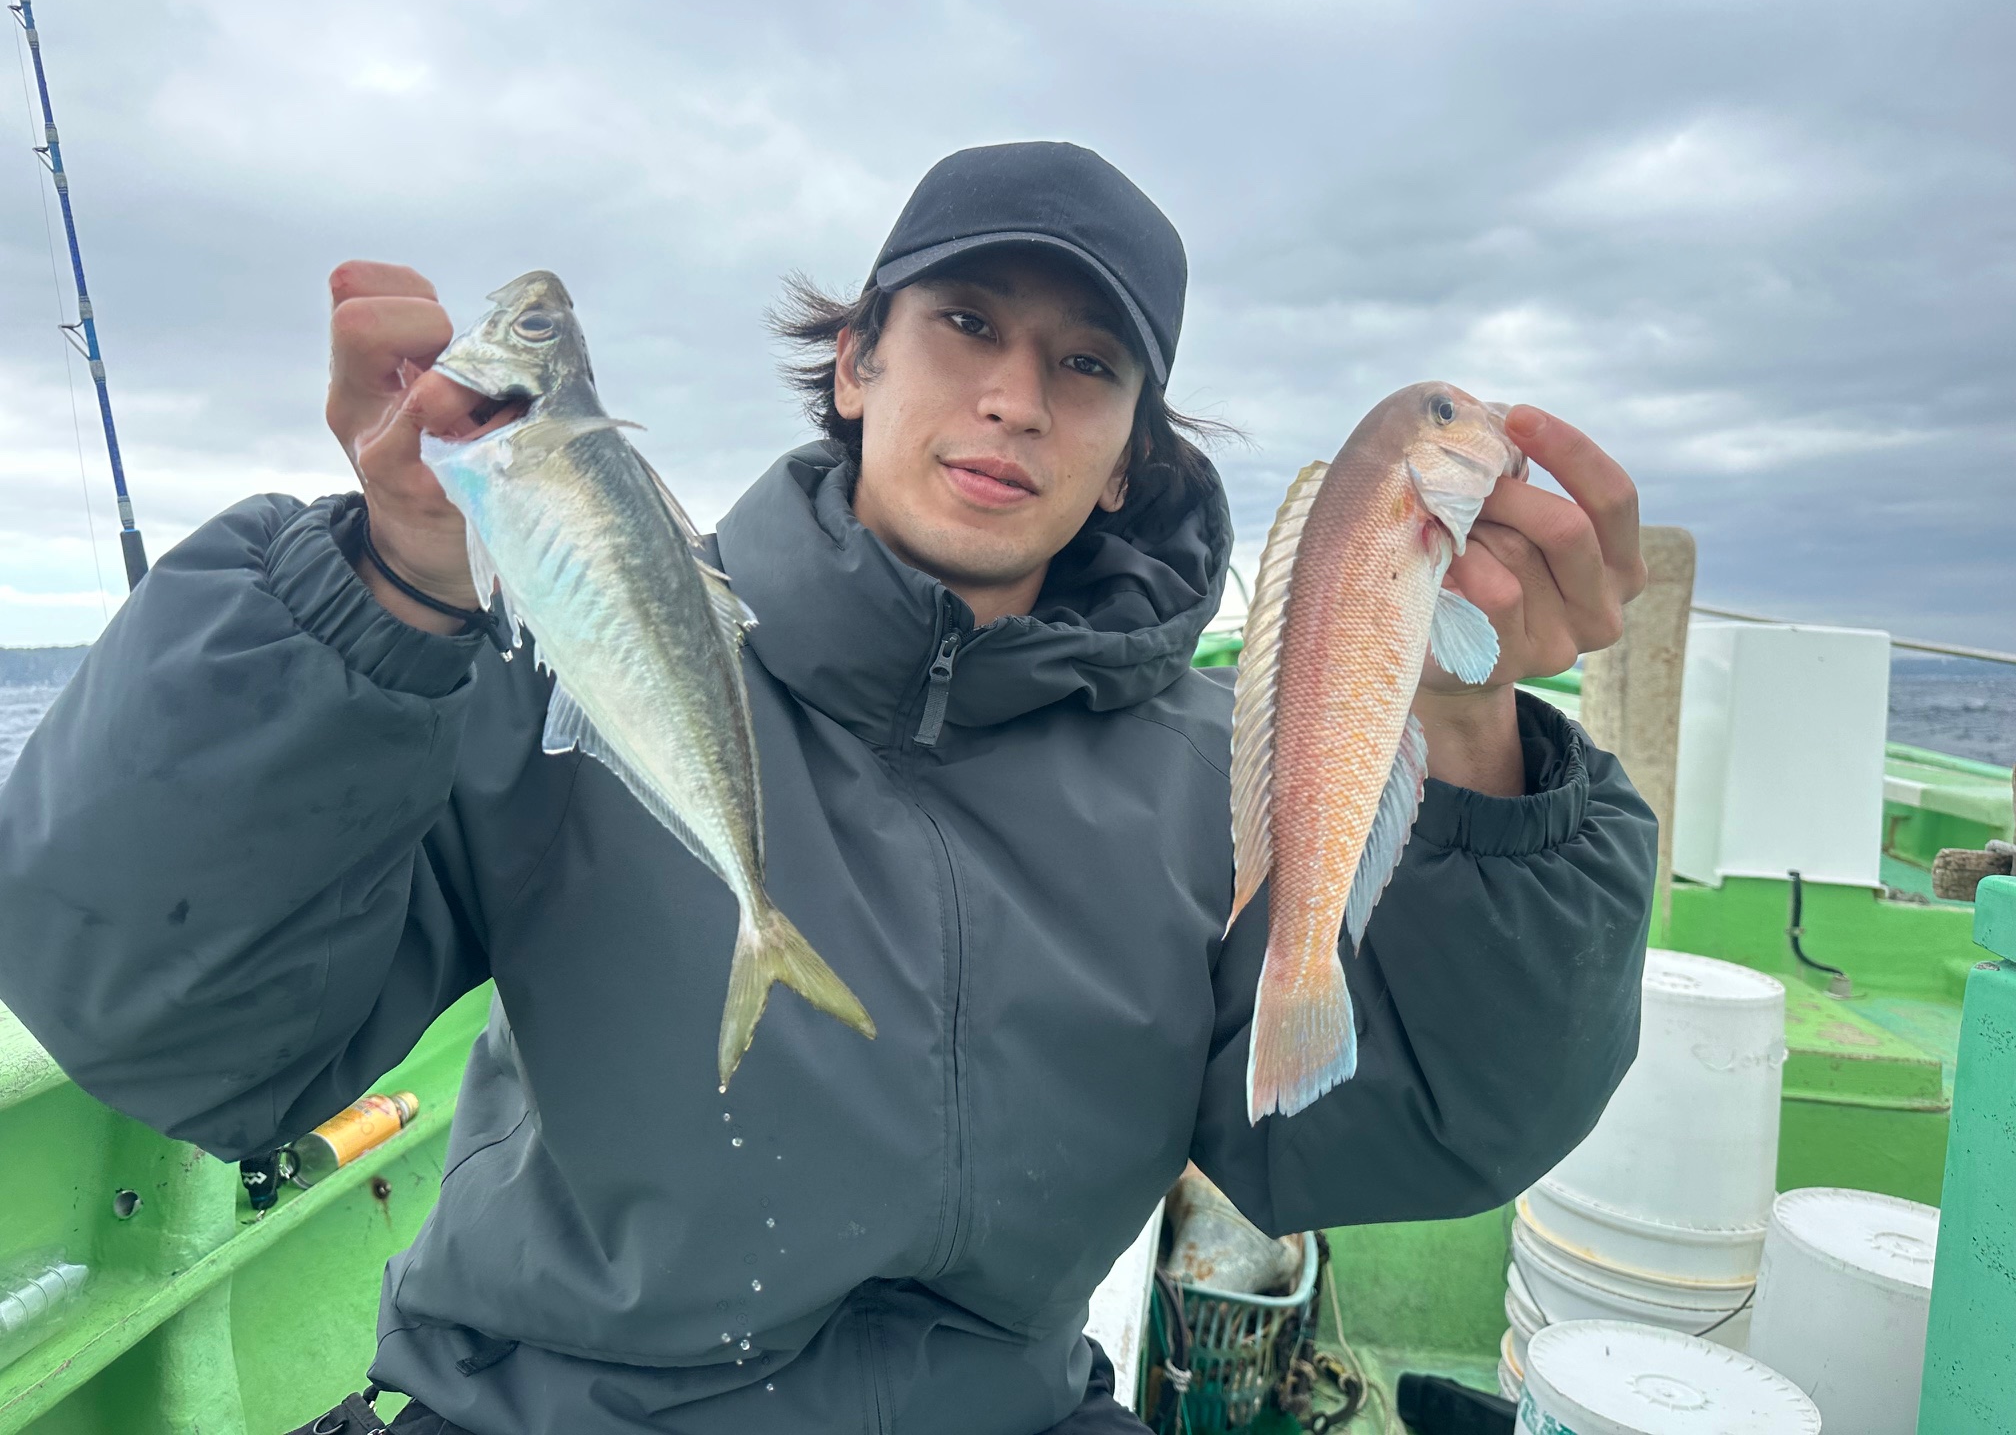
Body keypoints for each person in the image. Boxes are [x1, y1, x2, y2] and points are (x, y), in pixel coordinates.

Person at [0, 142, 1656, 1435]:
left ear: (1129, 454)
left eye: (1088, 365)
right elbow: (176, 1029)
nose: (1014, 397)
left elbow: (1417, 1135)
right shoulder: (573, 662)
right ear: (855, 360)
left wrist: (1475, 744)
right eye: (965, 324)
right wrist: (374, 598)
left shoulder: (1215, 771)